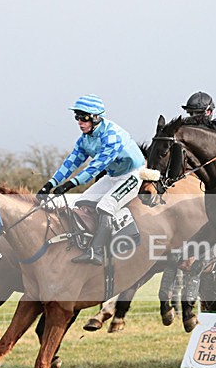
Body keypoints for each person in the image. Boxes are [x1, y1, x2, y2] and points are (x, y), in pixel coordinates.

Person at [36, 94, 146, 266]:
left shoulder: (112, 136)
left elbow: (95, 167)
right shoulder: (85, 139)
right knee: (81, 203)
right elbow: (70, 163)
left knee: (105, 206)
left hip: (133, 175)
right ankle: (85, 242)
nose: (80, 122)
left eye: (84, 117)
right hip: (113, 176)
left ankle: (98, 252)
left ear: (96, 117)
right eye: (77, 117)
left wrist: (70, 184)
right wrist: (49, 184)